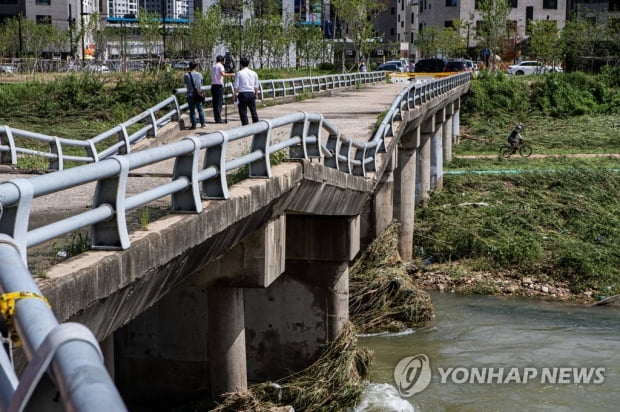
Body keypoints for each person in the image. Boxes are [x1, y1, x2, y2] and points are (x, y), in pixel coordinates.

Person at [233, 57, 260, 126]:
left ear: (241, 64)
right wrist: (256, 94)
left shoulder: (239, 73)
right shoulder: (254, 73)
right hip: (251, 93)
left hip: (242, 94)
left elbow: (236, 86)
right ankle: (257, 126)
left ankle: (246, 127)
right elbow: (256, 85)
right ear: (248, 64)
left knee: (243, 112)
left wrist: (234, 95)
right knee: (253, 110)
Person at [211, 55, 235, 124]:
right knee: (219, 103)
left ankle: (216, 118)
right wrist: (231, 74)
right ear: (222, 61)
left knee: (215, 103)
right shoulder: (220, 66)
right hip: (219, 86)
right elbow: (222, 74)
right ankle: (218, 119)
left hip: (213, 85)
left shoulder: (213, 66)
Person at [183, 61, 206, 130]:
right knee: (200, 109)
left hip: (190, 94)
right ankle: (203, 124)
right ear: (196, 67)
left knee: (192, 111)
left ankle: (194, 125)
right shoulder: (200, 74)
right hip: (198, 94)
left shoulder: (186, 75)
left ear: (189, 67)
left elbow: (186, 85)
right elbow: (201, 84)